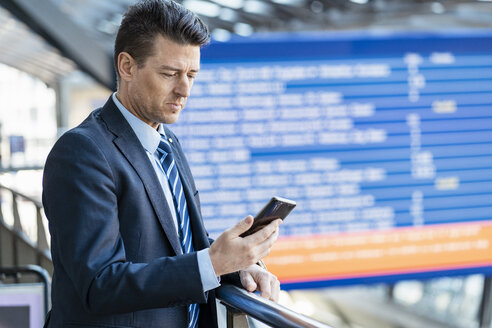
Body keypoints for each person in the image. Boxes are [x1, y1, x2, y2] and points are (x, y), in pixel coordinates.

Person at [41, 1, 281, 327]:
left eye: (191, 75)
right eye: (170, 74)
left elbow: (182, 244)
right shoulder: (82, 152)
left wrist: (238, 264)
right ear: (127, 66)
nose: (184, 90)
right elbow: (100, 284)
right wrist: (212, 263)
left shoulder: (167, 143)